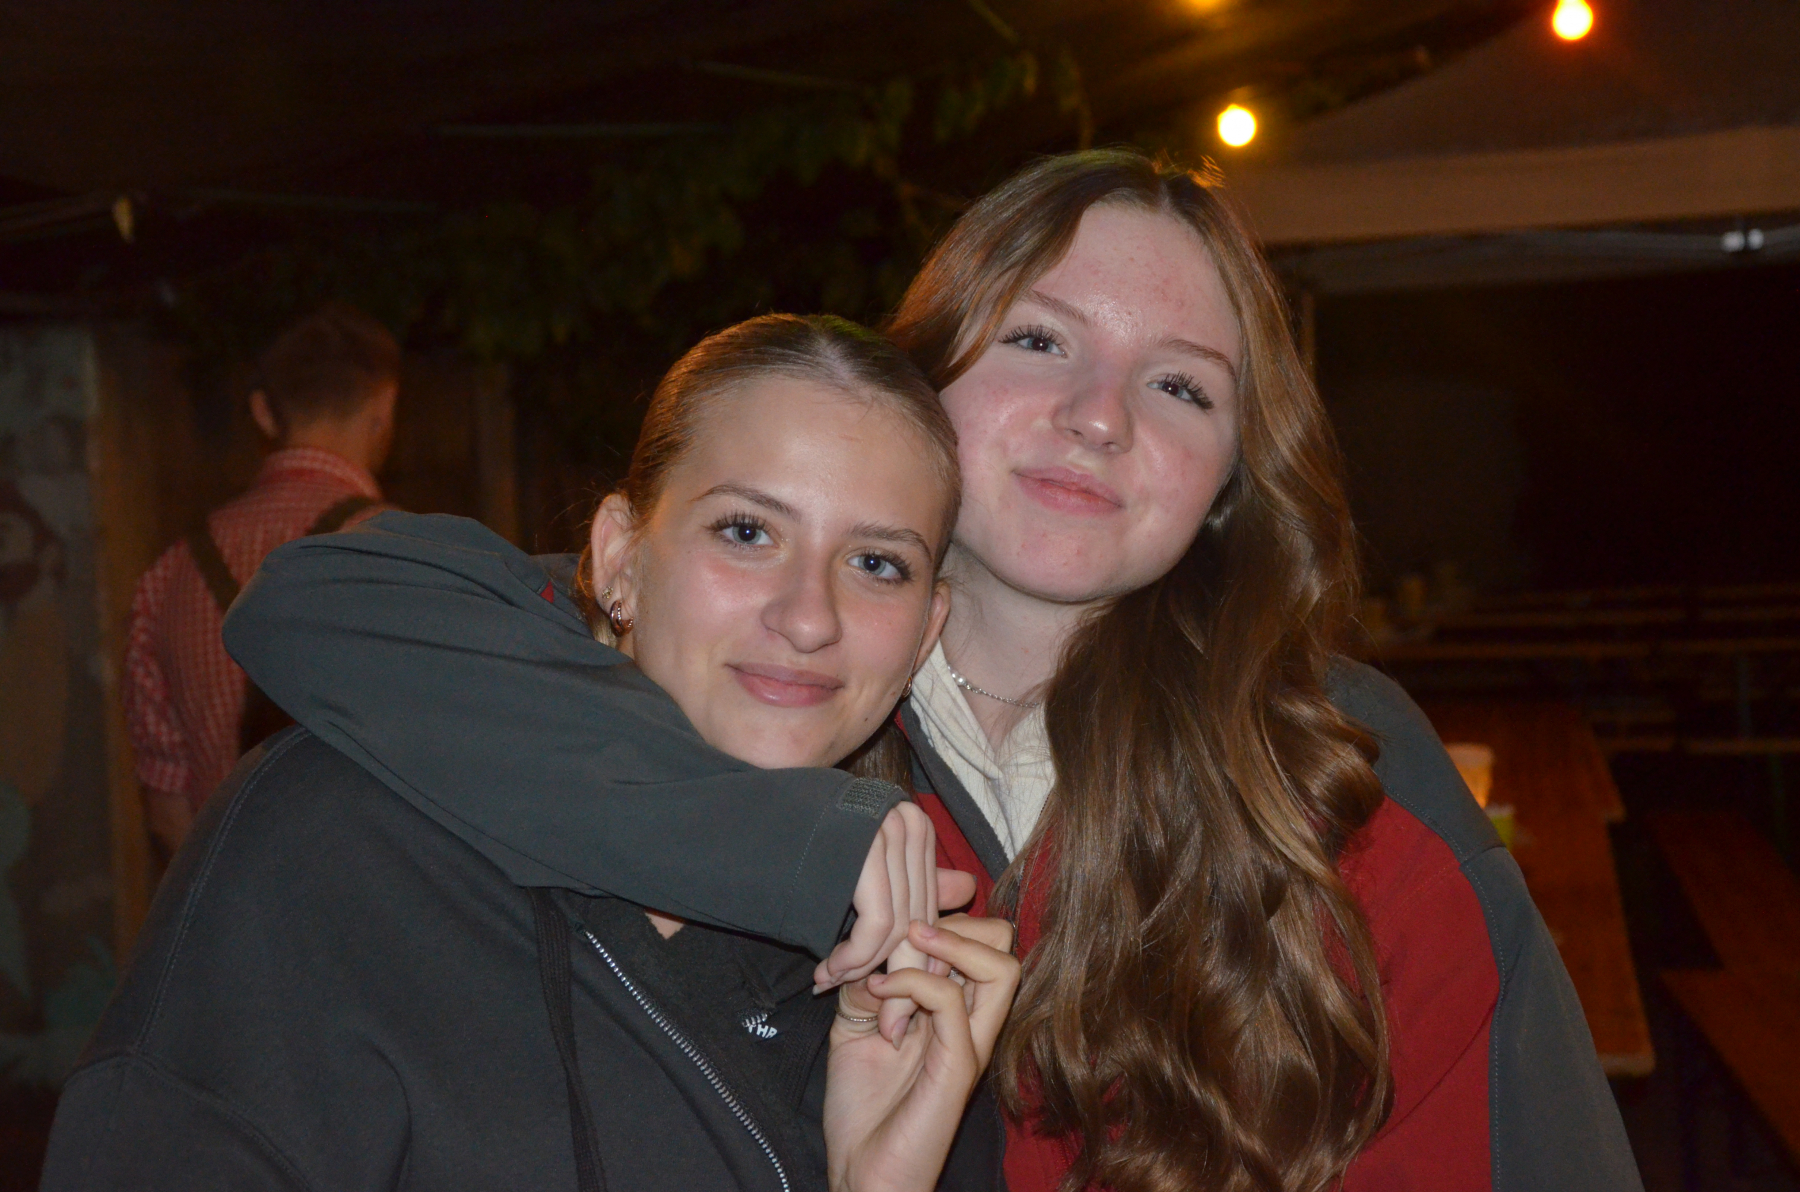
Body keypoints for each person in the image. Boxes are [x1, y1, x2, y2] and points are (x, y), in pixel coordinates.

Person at [212, 151, 1641, 1191]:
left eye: (1180, 384)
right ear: (924, 383)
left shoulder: (1338, 779)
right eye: (1039, 339)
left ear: (1225, 481)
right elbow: (328, 603)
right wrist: (788, 837)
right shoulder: (753, 677)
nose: (1097, 417)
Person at [43, 315, 1019, 1191]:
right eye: (747, 530)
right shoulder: (328, 837)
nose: (809, 617)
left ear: (927, 628)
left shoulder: (911, 975)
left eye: (876, 562)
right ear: (621, 556)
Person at [123, 303, 400, 854]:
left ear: (263, 413)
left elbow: (169, 815)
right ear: (383, 409)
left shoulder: (170, 574)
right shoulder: (405, 553)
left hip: (231, 894)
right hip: (374, 892)